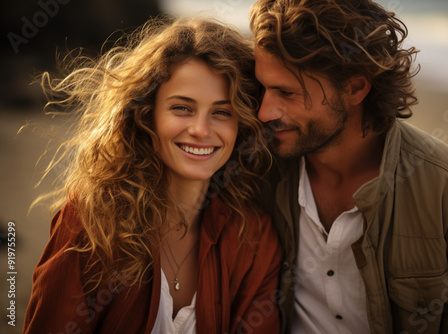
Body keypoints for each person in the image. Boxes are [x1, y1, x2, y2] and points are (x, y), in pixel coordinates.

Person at [249, 0, 448, 333]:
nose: (265, 112)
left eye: (286, 92)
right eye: (263, 88)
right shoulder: (255, 171)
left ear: (355, 87)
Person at [23, 16, 281, 334]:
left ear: (241, 122)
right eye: (182, 108)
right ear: (146, 114)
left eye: (221, 112)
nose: (201, 130)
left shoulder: (254, 237)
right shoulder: (90, 222)